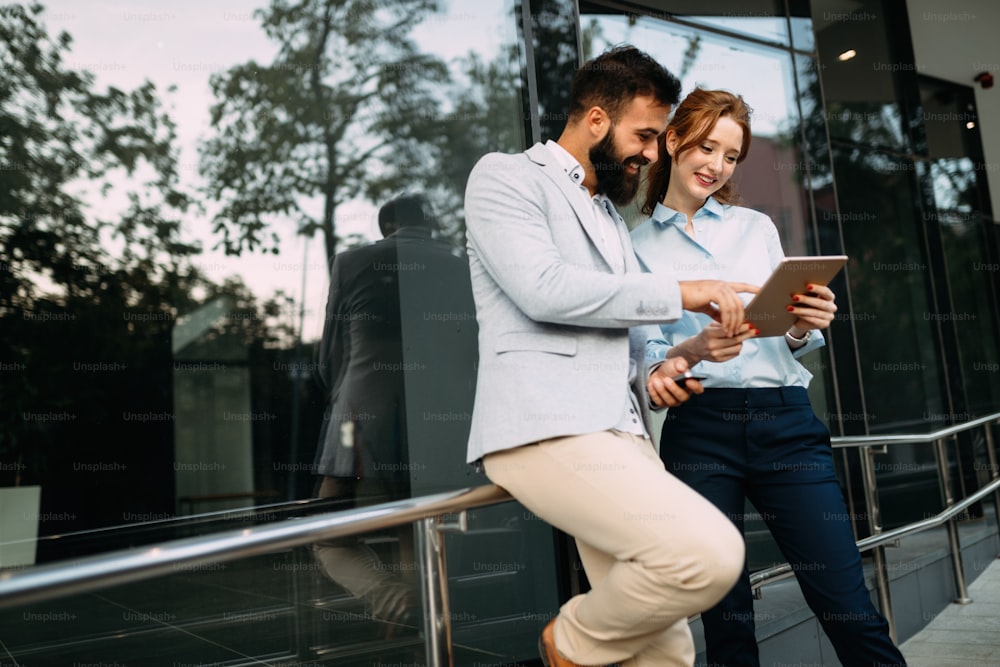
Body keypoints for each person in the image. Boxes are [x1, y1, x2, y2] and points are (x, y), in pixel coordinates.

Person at [464, 45, 758, 667]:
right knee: (707, 557)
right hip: (547, 429)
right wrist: (682, 290)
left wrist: (681, 356)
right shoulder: (505, 176)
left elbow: (626, 348)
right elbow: (543, 289)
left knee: (669, 652)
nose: (653, 154)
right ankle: (566, 643)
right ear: (597, 120)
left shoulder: (608, 218)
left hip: (620, 435)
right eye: (645, 136)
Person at [631, 88, 907, 667]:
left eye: (731, 156)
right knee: (724, 614)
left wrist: (807, 325)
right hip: (699, 430)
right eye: (707, 147)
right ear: (674, 140)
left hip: (787, 423)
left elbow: (786, 332)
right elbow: (649, 357)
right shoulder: (632, 248)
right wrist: (693, 349)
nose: (717, 166)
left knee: (844, 600)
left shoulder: (755, 228)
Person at [312, 192, 478, 639]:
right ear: (431, 224)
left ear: (386, 227)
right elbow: (473, 352)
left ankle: (392, 598)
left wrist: (344, 403)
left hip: (365, 415)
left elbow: (328, 360)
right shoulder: (461, 265)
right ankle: (424, 622)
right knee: (422, 531)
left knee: (328, 531)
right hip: (445, 420)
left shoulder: (351, 263)